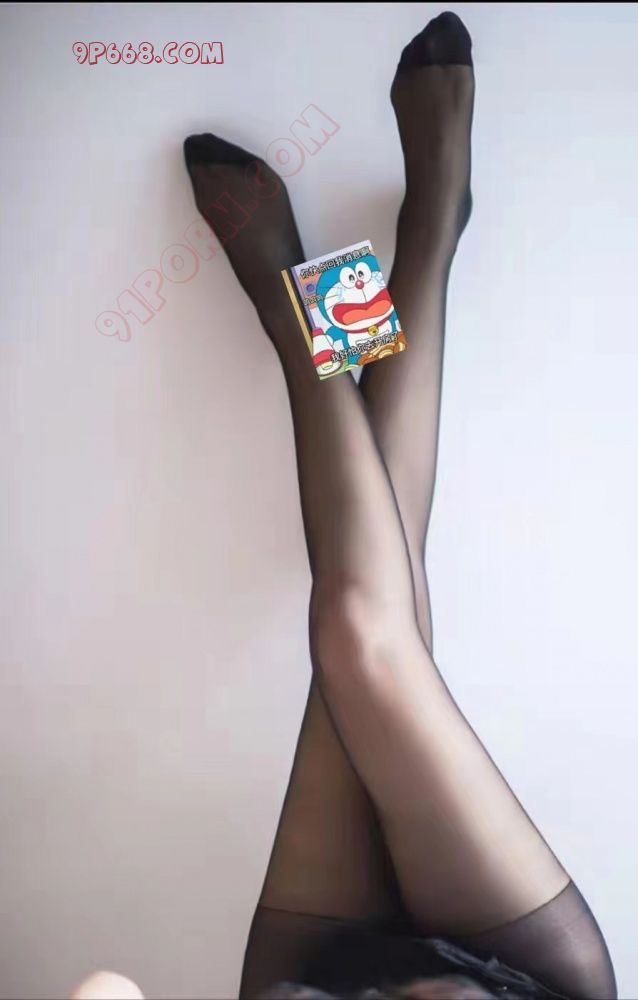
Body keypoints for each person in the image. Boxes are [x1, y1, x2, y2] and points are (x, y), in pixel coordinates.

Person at [72, 11, 617, 1000]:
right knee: (366, 634)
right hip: (527, 974)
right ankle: (386, 256)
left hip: (317, 979)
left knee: (370, 629)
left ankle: (387, 260)